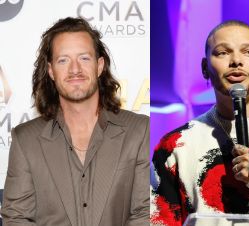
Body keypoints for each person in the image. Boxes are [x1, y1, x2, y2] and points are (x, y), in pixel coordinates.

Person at [1, 17, 149, 226]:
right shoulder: (26, 140)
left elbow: (145, 213)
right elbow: (17, 217)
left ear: (99, 66)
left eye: (84, 58)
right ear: (51, 70)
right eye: (63, 60)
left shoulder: (140, 131)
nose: (75, 69)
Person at [150, 20, 249, 225]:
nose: (236, 61)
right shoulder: (176, 145)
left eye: (248, 52)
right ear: (205, 68)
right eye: (222, 53)